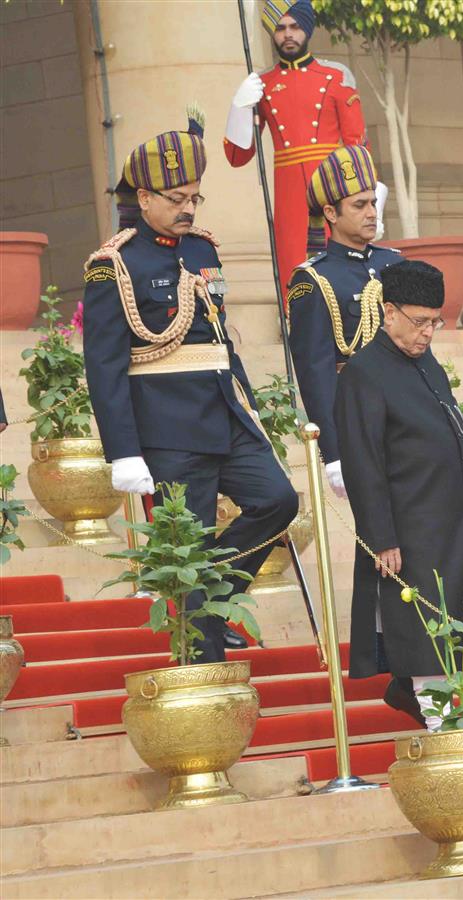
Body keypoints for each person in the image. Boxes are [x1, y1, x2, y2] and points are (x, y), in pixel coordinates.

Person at [83, 111, 298, 662]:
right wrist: (123, 451)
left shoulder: (203, 251)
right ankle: (206, 676)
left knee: (277, 500)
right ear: (145, 197)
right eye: (175, 197)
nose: (186, 208)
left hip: (225, 412)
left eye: (193, 198)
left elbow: (221, 336)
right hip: (169, 429)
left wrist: (249, 406)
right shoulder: (115, 264)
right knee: (191, 548)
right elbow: (104, 365)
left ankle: (214, 599)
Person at [335, 260, 463, 725]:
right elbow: (363, 462)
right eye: (419, 321)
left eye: (435, 322)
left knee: (453, 620)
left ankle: (414, 696)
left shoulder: (426, 363)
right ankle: (443, 721)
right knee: (422, 629)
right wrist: (381, 537)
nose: (427, 332)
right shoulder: (364, 371)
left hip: (452, 516)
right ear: (389, 312)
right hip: (407, 524)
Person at [224, 0, 383, 284]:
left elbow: (357, 148)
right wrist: (239, 106)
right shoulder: (263, 83)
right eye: (281, 28)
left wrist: (372, 206)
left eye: (295, 27)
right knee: (295, 270)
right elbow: (237, 156)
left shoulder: (335, 75)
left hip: (333, 187)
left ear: (306, 29)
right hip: (288, 196)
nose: (288, 34)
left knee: (340, 264)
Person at [285, 144, 401, 498]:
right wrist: (332, 454)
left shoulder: (394, 263)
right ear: (331, 213)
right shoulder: (312, 280)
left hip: (408, 410)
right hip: (359, 416)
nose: (371, 213)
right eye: (359, 205)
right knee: (380, 534)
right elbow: (315, 373)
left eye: (372, 203)